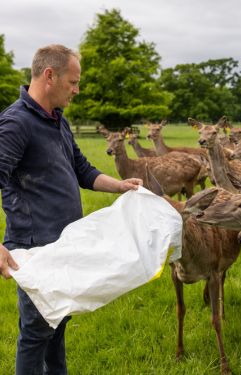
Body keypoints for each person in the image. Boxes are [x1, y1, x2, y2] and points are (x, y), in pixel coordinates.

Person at [0, 44, 142, 374]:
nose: (77, 91)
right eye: (73, 82)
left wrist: (120, 186)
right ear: (49, 76)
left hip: (66, 246)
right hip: (36, 252)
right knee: (36, 334)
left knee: (57, 326)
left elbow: (82, 169)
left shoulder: (57, 120)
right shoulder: (15, 124)